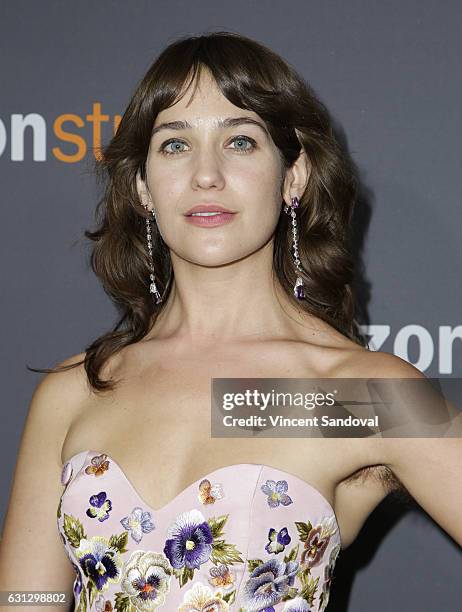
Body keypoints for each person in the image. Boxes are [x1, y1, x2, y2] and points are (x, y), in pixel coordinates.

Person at [0, 31, 460, 612]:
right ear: (142, 186)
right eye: (174, 145)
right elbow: (24, 600)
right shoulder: (74, 392)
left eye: (240, 141)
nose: (206, 175)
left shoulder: (356, 393)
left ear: (293, 176)